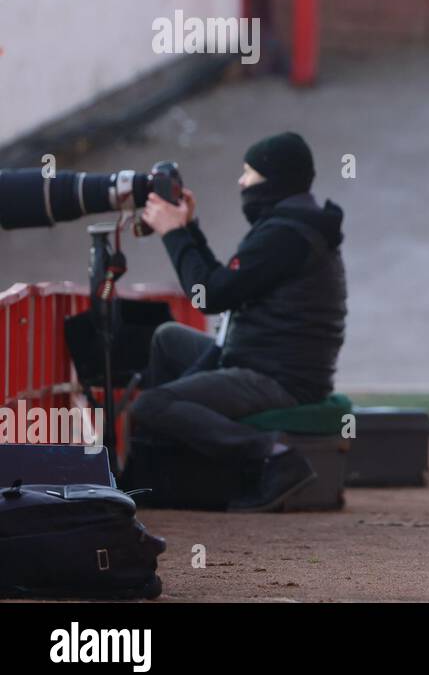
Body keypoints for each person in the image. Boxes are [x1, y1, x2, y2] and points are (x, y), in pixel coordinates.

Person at [129, 132, 348, 511]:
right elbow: (222, 285)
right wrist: (188, 227)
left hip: (277, 378)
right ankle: (161, 476)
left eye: (249, 173)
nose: (241, 182)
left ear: (273, 180)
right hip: (264, 360)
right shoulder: (292, 225)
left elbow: (209, 296)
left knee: (150, 406)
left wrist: (174, 232)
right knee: (168, 339)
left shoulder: (286, 234)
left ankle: (272, 457)